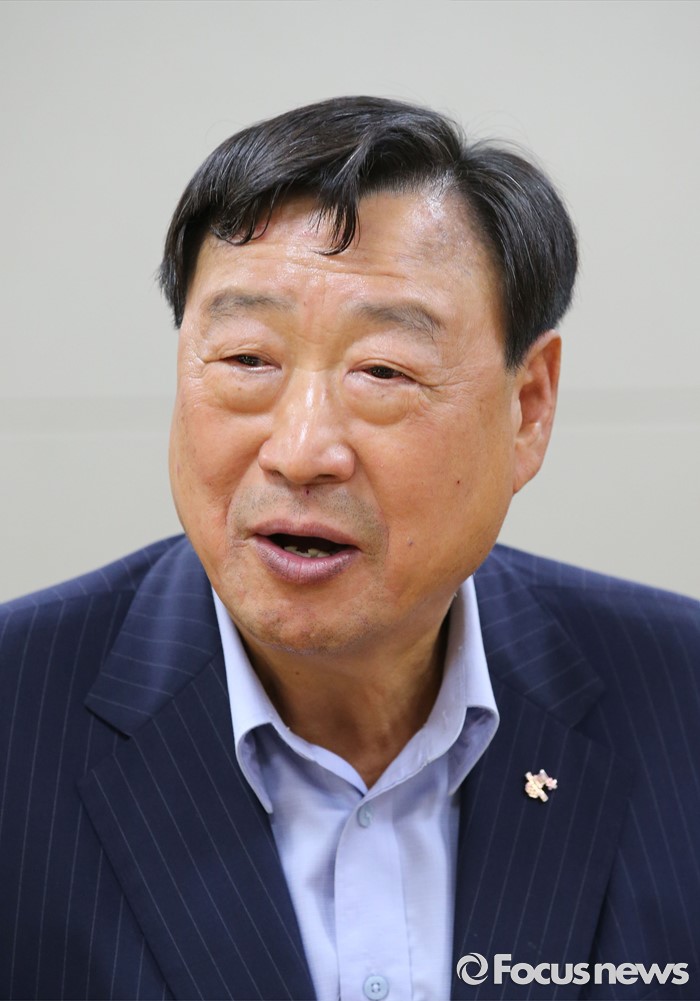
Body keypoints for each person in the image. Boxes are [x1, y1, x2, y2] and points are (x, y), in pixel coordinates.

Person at [0, 96, 698, 1001]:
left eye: (383, 371)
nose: (300, 450)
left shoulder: (680, 696)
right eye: (247, 359)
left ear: (527, 408)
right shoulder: (18, 716)